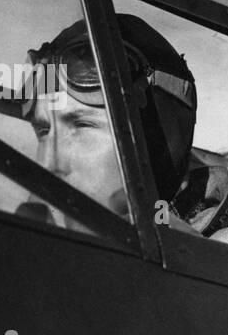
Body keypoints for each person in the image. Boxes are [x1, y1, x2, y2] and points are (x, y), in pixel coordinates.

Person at [19, 15, 197, 229]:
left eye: (82, 125)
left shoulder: (203, 259)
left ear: (150, 140)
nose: (47, 164)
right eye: (43, 131)